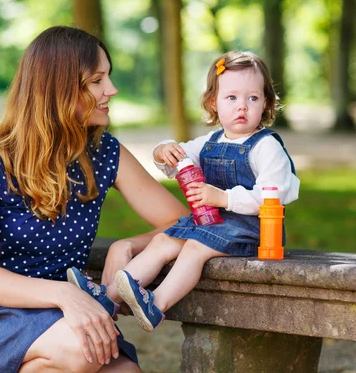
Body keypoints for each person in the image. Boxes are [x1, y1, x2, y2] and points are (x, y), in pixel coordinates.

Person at [0, 26, 188, 373]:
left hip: (64, 312)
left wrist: (125, 246)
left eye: (108, 78)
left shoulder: (104, 152)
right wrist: (68, 296)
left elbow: (183, 223)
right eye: (97, 80)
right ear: (59, 87)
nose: (111, 90)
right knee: (84, 352)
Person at [75, 50, 300, 332]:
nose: (242, 106)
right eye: (232, 98)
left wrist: (223, 198)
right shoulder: (210, 141)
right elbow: (178, 161)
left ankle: (156, 304)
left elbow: (274, 196)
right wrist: (163, 150)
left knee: (193, 248)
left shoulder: (266, 146)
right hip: (211, 225)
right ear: (213, 103)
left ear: (265, 102)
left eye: (252, 98)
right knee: (161, 242)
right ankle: (107, 298)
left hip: (251, 231)